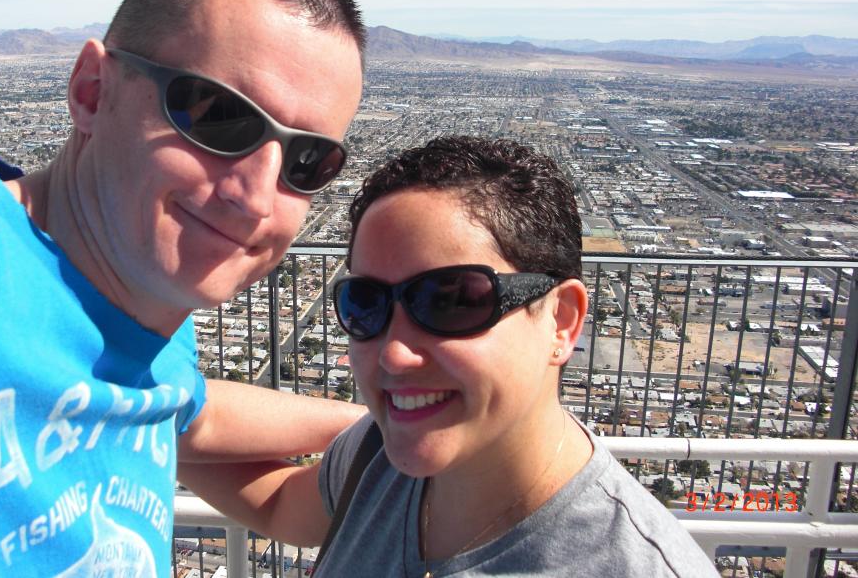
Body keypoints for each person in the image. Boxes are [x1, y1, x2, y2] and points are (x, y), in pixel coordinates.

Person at [0, 0, 367, 576]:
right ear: (93, 91)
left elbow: (198, 420)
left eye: (306, 162)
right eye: (219, 117)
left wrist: (397, 426)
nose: (257, 199)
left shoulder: (153, 329)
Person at [182, 136, 720, 577]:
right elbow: (277, 503)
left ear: (561, 321)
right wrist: (121, 412)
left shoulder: (631, 565)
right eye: (365, 303)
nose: (394, 352)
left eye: (452, 301)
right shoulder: (377, 459)